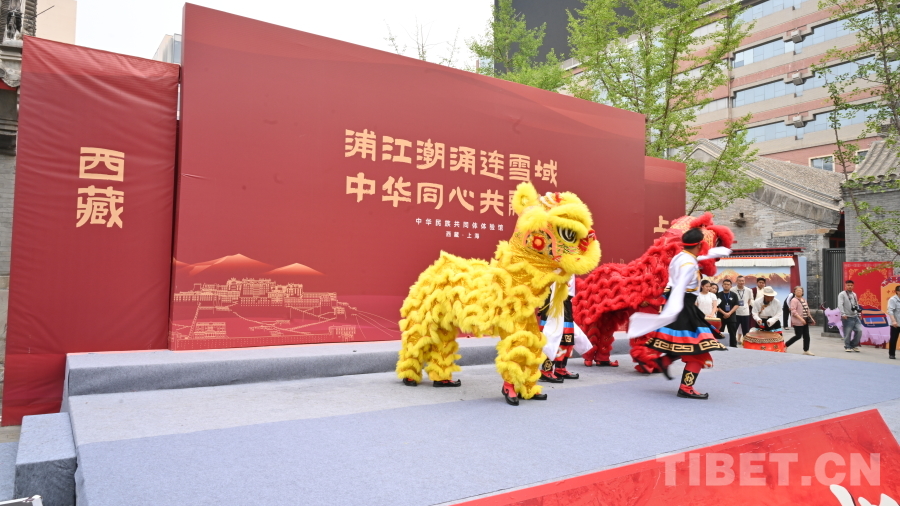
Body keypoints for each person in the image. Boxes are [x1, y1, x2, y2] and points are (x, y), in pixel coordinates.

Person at [627, 227, 730, 400]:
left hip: (683, 307)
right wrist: (672, 310)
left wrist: (716, 252)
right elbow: (681, 285)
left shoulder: (681, 257)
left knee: (682, 344)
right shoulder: (688, 264)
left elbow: (694, 262)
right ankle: (686, 388)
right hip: (684, 308)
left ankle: (664, 361)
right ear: (700, 244)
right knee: (699, 350)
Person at [538, 276, 594, 383]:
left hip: (566, 300)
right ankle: (546, 369)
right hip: (554, 299)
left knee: (567, 336)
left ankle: (560, 368)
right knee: (553, 335)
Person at [786, 286, 815, 355]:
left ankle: (806, 350)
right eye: (797, 290)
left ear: (802, 292)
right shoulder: (794, 300)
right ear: (794, 292)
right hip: (798, 321)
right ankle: (785, 345)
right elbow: (793, 311)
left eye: (800, 290)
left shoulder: (804, 299)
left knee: (806, 336)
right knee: (798, 336)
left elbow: (807, 310)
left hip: (805, 320)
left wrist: (811, 318)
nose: (799, 292)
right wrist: (801, 319)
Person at [838, 280, 864, 353]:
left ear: (853, 286)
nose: (850, 286)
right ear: (845, 286)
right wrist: (843, 314)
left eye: (851, 285)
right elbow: (840, 305)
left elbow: (856, 305)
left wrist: (859, 314)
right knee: (847, 333)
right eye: (848, 285)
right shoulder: (842, 294)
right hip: (847, 316)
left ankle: (853, 345)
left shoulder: (854, 294)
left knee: (859, 331)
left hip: (855, 316)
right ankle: (847, 346)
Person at [717, 278, 739, 347]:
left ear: (731, 286)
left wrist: (729, 313)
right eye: (725, 284)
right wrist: (724, 313)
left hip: (731, 317)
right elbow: (716, 306)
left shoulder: (734, 295)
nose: (726, 285)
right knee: (720, 332)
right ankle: (719, 345)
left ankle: (733, 346)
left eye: (728, 284)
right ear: (722, 285)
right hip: (721, 316)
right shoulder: (718, 294)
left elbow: (736, 305)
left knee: (732, 333)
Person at [733, 275, 753, 341]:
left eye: (743, 281)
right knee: (733, 329)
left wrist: (746, 306)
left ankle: (746, 343)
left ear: (744, 281)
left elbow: (749, 300)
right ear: (736, 281)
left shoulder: (749, 290)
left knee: (746, 330)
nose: (741, 282)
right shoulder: (732, 290)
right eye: (740, 281)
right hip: (735, 312)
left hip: (745, 313)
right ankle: (732, 343)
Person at [888, 285, 900, 359]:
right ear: (897, 292)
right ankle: (892, 354)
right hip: (896, 323)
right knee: (893, 339)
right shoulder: (893, 299)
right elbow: (890, 311)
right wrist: (894, 321)